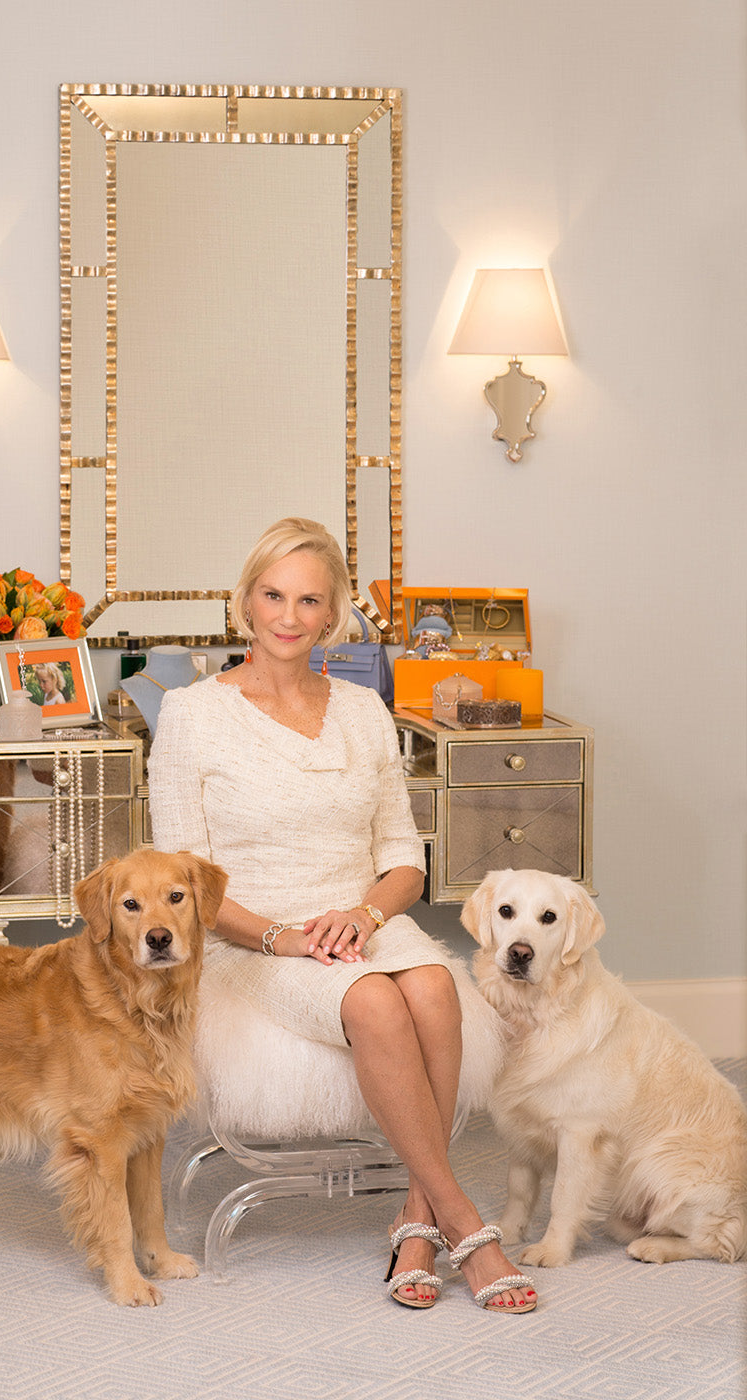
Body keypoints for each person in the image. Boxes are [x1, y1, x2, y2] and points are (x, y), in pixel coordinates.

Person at [148, 518, 536, 1313]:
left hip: (361, 915)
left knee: (430, 986)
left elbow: (404, 861)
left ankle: (417, 1218)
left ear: (333, 614)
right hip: (253, 936)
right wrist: (279, 936)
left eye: (309, 600)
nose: (288, 616)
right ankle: (463, 1219)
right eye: (273, 595)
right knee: (371, 999)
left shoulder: (363, 709)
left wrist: (362, 916)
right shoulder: (192, 715)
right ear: (246, 601)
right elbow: (182, 878)